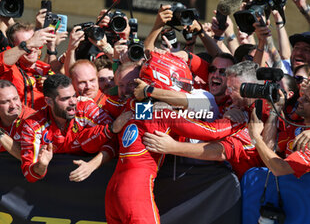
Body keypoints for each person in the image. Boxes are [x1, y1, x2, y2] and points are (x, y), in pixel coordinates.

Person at [105, 54, 244, 224]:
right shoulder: (163, 113)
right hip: (135, 189)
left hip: (113, 187)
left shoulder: (133, 106)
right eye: (183, 84)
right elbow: (212, 132)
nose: (186, 88)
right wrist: (236, 121)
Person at [19, 74, 115, 183]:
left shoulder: (86, 108)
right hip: (55, 187)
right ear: (48, 101)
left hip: (96, 182)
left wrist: (92, 165)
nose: (73, 102)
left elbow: (115, 137)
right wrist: (41, 165)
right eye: (65, 99)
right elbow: (29, 173)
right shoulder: (33, 125)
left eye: (74, 96)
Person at [248, 81, 310, 177]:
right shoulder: (300, 127)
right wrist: (275, 110)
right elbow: (268, 148)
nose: (299, 99)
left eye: (306, 99)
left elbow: (279, 170)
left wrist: (255, 137)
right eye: (303, 95)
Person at [0, 22, 56, 110]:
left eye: (34, 42)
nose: (32, 48)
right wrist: (29, 44)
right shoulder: (9, 70)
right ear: (13, 47)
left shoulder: (47, 68)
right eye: (24, 44)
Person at [0, 80, 35, 159]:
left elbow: (27, 157)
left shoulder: (33, 119)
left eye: (15, 99)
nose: (13, 105)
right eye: (5, 102)